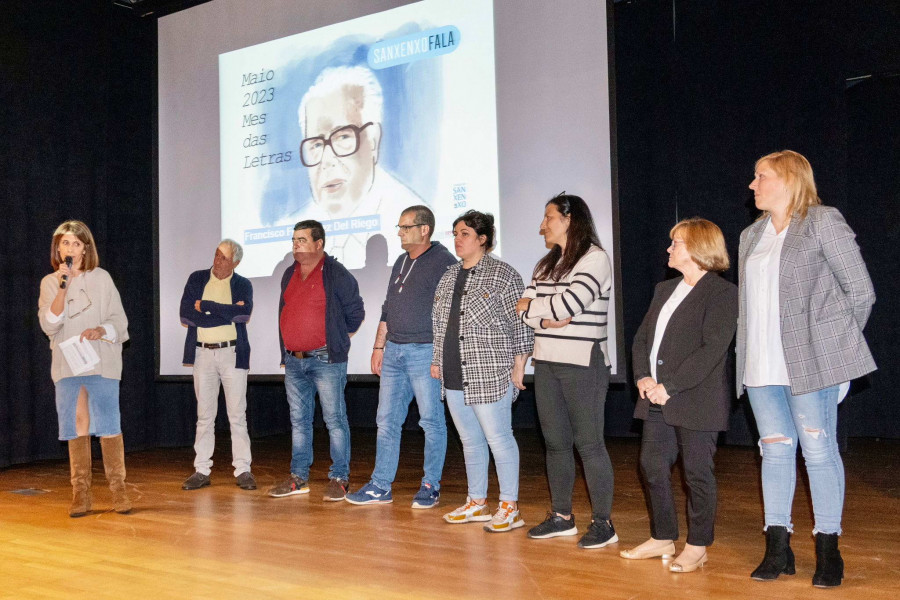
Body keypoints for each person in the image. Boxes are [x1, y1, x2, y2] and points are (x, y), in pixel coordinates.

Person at [738, 150, 876, 588]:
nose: (752, 185)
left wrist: (837, 359)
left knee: (818, 452)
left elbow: (860, 292)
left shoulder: (822, 221)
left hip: (811, 364)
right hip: (761, 364)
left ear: (789, 180)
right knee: (775, 451)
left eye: (761, 176)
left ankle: (828, 551)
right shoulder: (750, 235)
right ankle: (778, 548)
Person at [624, 218, 738, 572]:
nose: (668, 249)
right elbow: (642, 338)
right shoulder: (664, 288)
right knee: (652, 466)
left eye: (676, 243)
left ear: (698, 248)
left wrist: (668, 386)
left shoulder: (722, 293)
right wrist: (643, 377)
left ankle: (698, 545)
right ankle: (662, 536)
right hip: (655, 397)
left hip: (695, 399)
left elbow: (711, 350)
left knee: (697, 474)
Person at [516, 194, 619, 549]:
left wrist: (539, 309)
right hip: (546, 361)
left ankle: (604, 523)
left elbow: (569, 305)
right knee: (556, 443)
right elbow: (525, 309)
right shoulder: (545, 265)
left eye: (548, 217)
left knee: (589, 444)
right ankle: (562, 517)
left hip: (583, 362)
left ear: (570, 219)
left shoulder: (595, 259)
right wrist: (545, 314)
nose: (542, 225)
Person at [345, 206, 455, 508]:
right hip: (394, 350)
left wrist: (438, 355)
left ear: (425, 230)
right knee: (387, 420)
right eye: (400, 226)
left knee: (431, 421)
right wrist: (378, 347)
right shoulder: (401, 261)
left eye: (406, 227)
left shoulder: (444, 261)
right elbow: (388, 306)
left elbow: (448, 314)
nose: (400, 232)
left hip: (424, 351)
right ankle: (380, 485)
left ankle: (430, 484)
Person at [432, 210, 533, 532]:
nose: (457, 239)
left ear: (482, 238)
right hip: (453, 371)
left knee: (499, 439)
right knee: (470, 441)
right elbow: (439, 324)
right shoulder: (448, 275)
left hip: (489, 370)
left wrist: (520, 365)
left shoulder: (503, 274)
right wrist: (437, 359)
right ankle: (477, 502)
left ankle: (510, 505)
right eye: (455, 233)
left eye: (464, 233)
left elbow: (520, 324)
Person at [37, 220, 131, 517]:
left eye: (76, 243)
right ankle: (81, 493)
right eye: (65, 243)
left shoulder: (101, 278)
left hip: (100, 358)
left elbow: (120, 321)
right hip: (69, 362)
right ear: (58, 248)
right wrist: (63, 287)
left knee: (108, 423)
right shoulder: (50, 282)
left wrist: (102, 330)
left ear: (85, 248)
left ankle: (119, 490)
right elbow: (49, 324)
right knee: (78, 424)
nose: (70, 248)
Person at [269, 220, 365, 501]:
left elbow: (355, 314)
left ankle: (339, 477)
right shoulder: (289, 273)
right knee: (299, 421)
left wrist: (332, 337)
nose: (296, 244)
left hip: (326, 360)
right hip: (294, 361)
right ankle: (299, 478)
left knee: (334, 420)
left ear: (319, 243)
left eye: (302, 239)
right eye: (294, 239)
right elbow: (285, 313)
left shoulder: (337, 273)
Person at [293, 65, 423, 268]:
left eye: (343, 136)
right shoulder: (297, 227)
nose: (327, 160)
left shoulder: (411, 222)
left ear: (373, 141)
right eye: (316, 144)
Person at [179, 240, 255, 491]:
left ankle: (243, 470)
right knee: (205, 416)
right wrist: (227, 313)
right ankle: (202, 469)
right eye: (216, 254)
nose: (217, 261)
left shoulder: (243, 284)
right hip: (203, 354)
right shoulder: (197, 279)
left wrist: (208, 308)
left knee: (237, 415)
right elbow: (187, 316)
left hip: (233, 353)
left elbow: (243, 316)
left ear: (235, 262)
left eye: (223, 257)